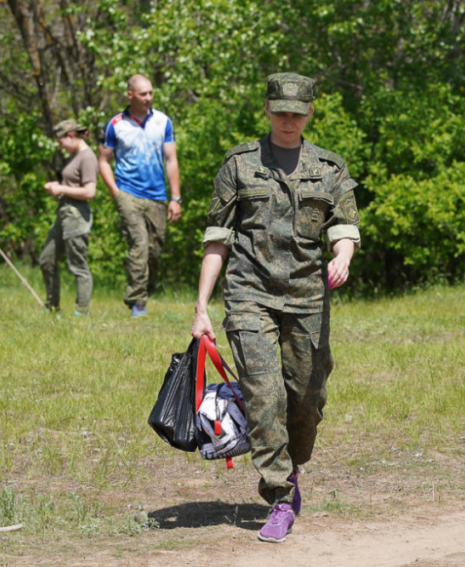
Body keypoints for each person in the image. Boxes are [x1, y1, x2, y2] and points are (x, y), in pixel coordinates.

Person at [190, 73, 361, 543]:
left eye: (297, 113)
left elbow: (344, 225)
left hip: (308, 298)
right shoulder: (239, 165)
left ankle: (294, 466)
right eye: (281, 111)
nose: (288, 120)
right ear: (267, 110)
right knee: (266, 396)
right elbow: (216, 239)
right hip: (250, 295)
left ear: (309, 114)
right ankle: (280, 496)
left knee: (305, 400)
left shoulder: (329, 167)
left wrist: (342, 255)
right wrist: (202, 306)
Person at [98, 74, 182, 318]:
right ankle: (138, 303)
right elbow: (103, 160)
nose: (148, 98)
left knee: (155, 251)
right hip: (128, 193)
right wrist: (116, 192)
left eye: (151, 93)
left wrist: (175, 198)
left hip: (157, 196)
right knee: (140, 245)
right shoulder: (114, 124)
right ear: (130, 95)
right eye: (143, 94)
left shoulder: (163, 122)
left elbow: (171, 159)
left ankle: (145, 291)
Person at [39, 119, 97, 316]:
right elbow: (74, 184)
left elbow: (90, 192)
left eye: (61, 141)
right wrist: (57, 185)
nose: (60, 146)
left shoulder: (87, 157)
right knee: (46, 259)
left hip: (76, 216)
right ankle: (52, 306)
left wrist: (59, 188)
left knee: (78, 265)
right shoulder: (75, 156)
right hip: (63, 215)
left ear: (70, 136)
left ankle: (82, 311)